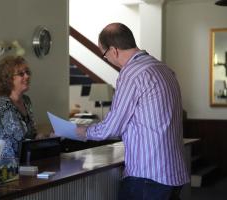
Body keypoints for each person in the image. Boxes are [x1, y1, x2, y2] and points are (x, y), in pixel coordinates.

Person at [76, 23, 190, 200]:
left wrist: (82, 131)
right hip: (174, 172)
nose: (107, 59)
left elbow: (112, 128)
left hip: (148, 176)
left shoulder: (131, 74)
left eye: (104, 55)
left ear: (113, 50)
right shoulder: (164, 69)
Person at [0, 56, 37, 159]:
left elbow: (32, 132)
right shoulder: (3, 106)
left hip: (27, 159)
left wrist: (44, 137)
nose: (27, 76)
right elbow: (19, 138)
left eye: (27, 72)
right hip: (8, 166)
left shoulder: (26, 100)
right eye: (21, 74)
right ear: (8, 79)